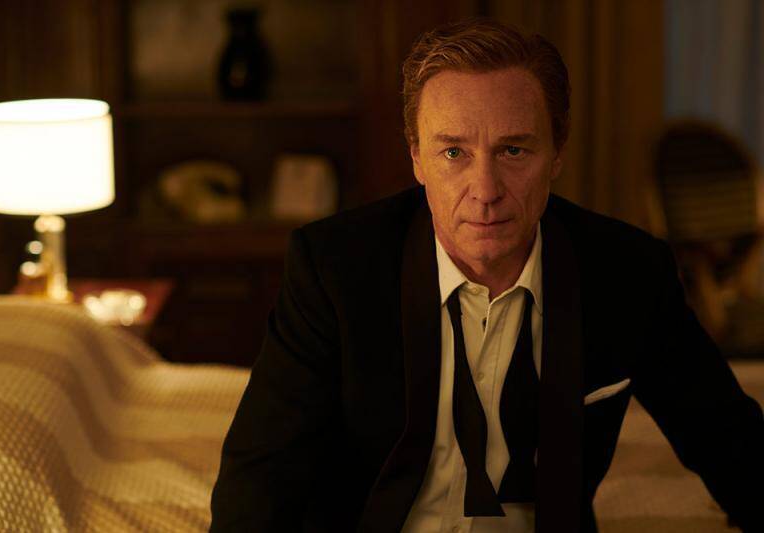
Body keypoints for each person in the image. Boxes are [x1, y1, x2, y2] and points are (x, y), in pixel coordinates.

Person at [210, 19, 764, 533]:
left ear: (556, 154)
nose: (485, 190)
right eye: (453, 152)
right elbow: (257, 486)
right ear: (417, 159)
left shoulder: (628, 272)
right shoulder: (335, 269)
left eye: (513, 150)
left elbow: (730, 443)